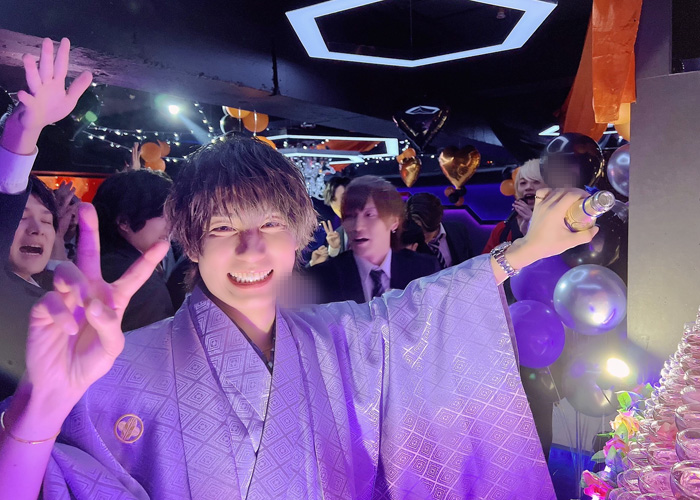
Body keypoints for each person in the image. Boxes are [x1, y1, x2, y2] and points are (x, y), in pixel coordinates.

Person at [0, 39, 597, 500]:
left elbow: (415, 314)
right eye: (222, 228)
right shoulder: (116, 370)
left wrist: (527, 251)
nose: (251, 249)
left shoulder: (336, 340)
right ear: (192, 243)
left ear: (298, 238)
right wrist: (40, 406)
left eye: (270, 225)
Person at [0, 37, 92, 401]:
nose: (37, 229)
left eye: (47, 220)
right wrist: (27, 128)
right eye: (21, 218)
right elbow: (8, 187)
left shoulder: (55, 295)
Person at [308, 175, 440, 304]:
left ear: (393, 221)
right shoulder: (325, 277)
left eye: (369, 215)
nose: (358, 225)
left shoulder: (425, 268)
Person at [91, 169, 175, 332]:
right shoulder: (135, 280)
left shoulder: (105, 263)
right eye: (163, 215)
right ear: (124, 222)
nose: (171, 224)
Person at [483, 159, 548, 253]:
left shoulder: (565, 223)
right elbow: (486, 260)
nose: (528, 187)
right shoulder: (502, 229)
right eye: (523, 183)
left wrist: (532, 224)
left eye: (536, 182)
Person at [406, 192, 473, 268]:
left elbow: (471, 265)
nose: (420, 235)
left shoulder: (458, 230)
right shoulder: (409, 245)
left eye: (424, 231)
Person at [321, 175, 350, 258]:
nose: (339, 204)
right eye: (333, 200)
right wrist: (334, 250)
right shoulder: (336, 234)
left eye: (344, 198)